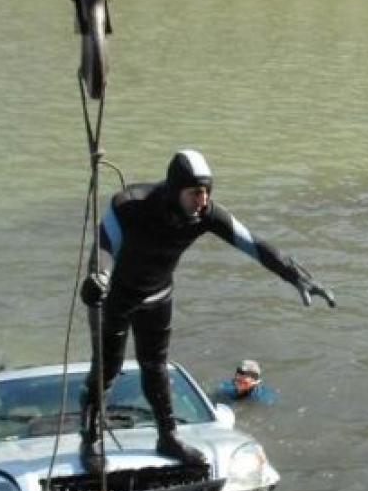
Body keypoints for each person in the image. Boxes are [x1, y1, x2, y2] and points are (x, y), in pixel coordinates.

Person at [78, 149, 335, 473]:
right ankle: (90, 439)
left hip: (158, 296)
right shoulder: (130, 205)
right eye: (195, 193)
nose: (203, 200)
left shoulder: (207, 214)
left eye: (206, 192)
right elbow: (104, 245)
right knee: (107, 369)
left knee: (155, 368)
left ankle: (168, 437)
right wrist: (99, 277)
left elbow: (254, 244)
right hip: (114, 298)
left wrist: (296, 276)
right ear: (175, 190)